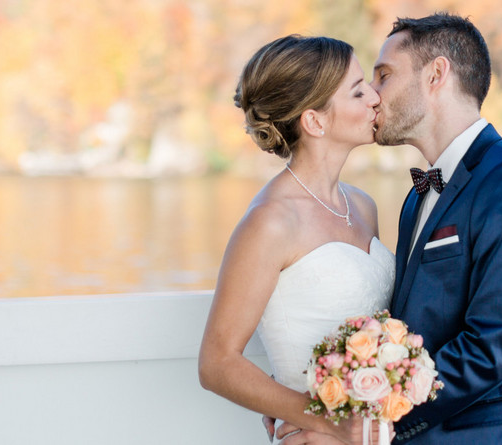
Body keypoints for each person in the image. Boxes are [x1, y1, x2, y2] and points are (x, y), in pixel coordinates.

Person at [281, 12, 502, 445]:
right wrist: (319, 396)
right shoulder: (417, 198)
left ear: (436, 74)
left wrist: (371, 428)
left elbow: (492, 348)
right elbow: (406, 331)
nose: (373, 96)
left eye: (384, 75)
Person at [197, 35, 391, 445]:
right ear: (315, 121)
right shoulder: (271, 222)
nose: (376, 97)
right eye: (358, 91)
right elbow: (217, 363)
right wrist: (322, 419)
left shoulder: (364, 206)